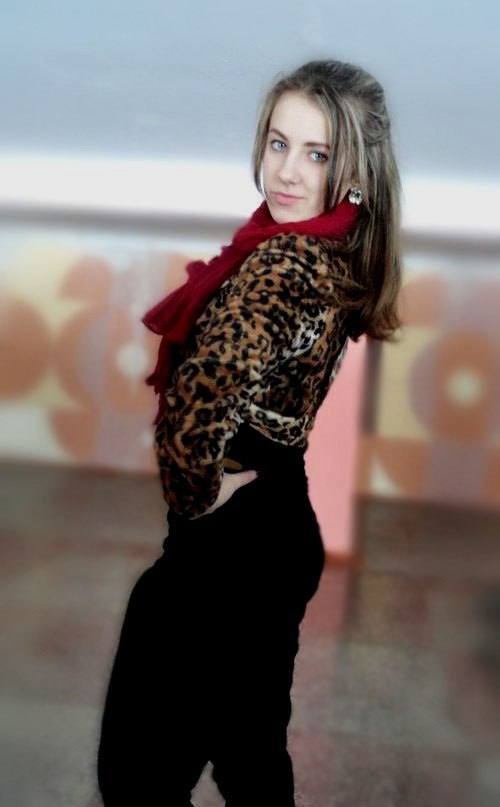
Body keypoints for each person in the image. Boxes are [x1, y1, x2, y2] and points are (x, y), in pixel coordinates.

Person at [96, 58, 401, 806]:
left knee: (139, 773)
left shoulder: (283, 265)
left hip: (233, 545)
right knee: (249, 754)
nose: (287, 171)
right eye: (278, 142)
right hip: (277, 528)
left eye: (317, 154)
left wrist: (195, 491)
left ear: (353, 175)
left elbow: (201, 394)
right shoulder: (328, 252)